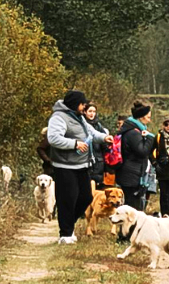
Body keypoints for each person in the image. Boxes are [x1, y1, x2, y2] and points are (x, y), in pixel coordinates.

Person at [45, 89, 102, 244]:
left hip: (81, 165)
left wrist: (105, 138)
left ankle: (68, 224)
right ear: (76, 104)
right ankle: (65, 234)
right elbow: (53, 138)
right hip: (65, 165)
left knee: (86, 197)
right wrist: (74, 144)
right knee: (67, 199)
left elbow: (91, 132)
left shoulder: (79, 117)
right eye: (83, 104)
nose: (84, 107)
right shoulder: (59, 117)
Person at [116, 101, 157, 217]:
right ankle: (127, 234)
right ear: (141, 117)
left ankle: (128, 233)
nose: (149, 120)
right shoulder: (132, 133)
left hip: (131, 173)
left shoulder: (133, 130)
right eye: (148, 117)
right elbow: (142, 151)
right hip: (131, 174)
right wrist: (149, 138)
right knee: (132, 209)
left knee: (132, 207)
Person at [84, 103, 111, 189]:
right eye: (90, 111)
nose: (92, 114)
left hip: (98, 161)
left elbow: (104, 145)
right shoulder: (81, 125)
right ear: (85, 112)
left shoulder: (98, 126)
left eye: (94, 111)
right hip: (85, 159)